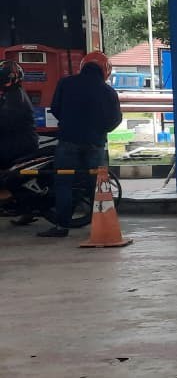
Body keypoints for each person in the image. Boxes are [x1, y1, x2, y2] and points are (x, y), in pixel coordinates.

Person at [38, 52, 122, 238]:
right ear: (105, 70)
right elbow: (115, 119)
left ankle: (61, 226)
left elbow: (55, 109)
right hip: (95, 144)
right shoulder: (108, 91)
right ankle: (101, 227)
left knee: (64, 183)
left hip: (68, 141)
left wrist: (69, 123)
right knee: (97, 185)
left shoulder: (65, 84)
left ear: (83, 66)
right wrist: (100, 131)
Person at [0, 60, 38, 169]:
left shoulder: (15, 96)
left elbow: (6, 121)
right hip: (14, 144)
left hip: (17, 147)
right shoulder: (10, 94)